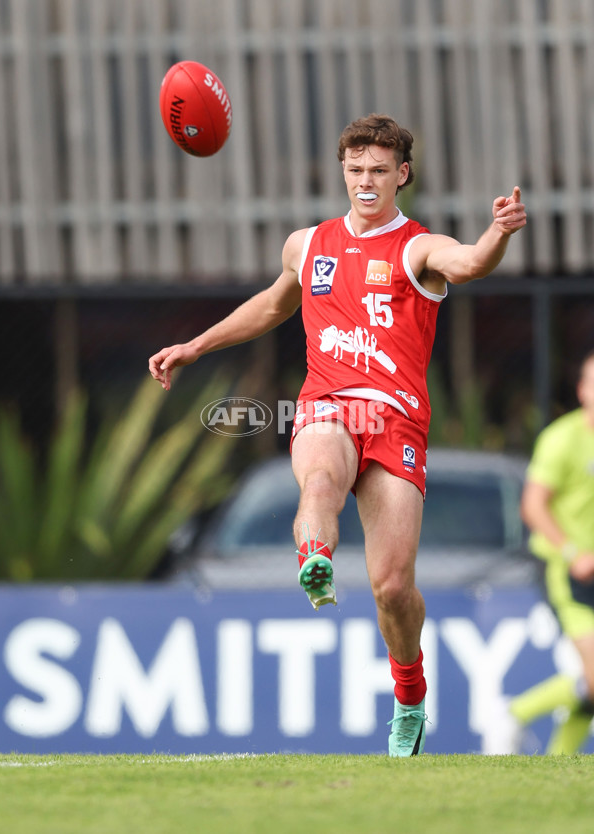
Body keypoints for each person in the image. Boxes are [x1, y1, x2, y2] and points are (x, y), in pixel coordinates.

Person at [149, 114, 526, 756]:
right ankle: (314, 560)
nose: (366, 182)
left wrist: (496, 233)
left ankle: (409, 698)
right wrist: (196, 344)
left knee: (393, 588)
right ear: (342, 172)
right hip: (327, 403)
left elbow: (467, 264)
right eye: (356, 170)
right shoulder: (309, 244)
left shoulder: (416, 248)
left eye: (380, 170)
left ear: (402, 174)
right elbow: (271, 306)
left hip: (397, 420)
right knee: (319, 476)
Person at [507, 350, 594, 754]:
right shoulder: (562, 439)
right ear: (582, 390)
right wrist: (573, 552)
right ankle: (517, 712)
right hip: (570, 572)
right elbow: (533, 505)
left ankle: (558, 763)